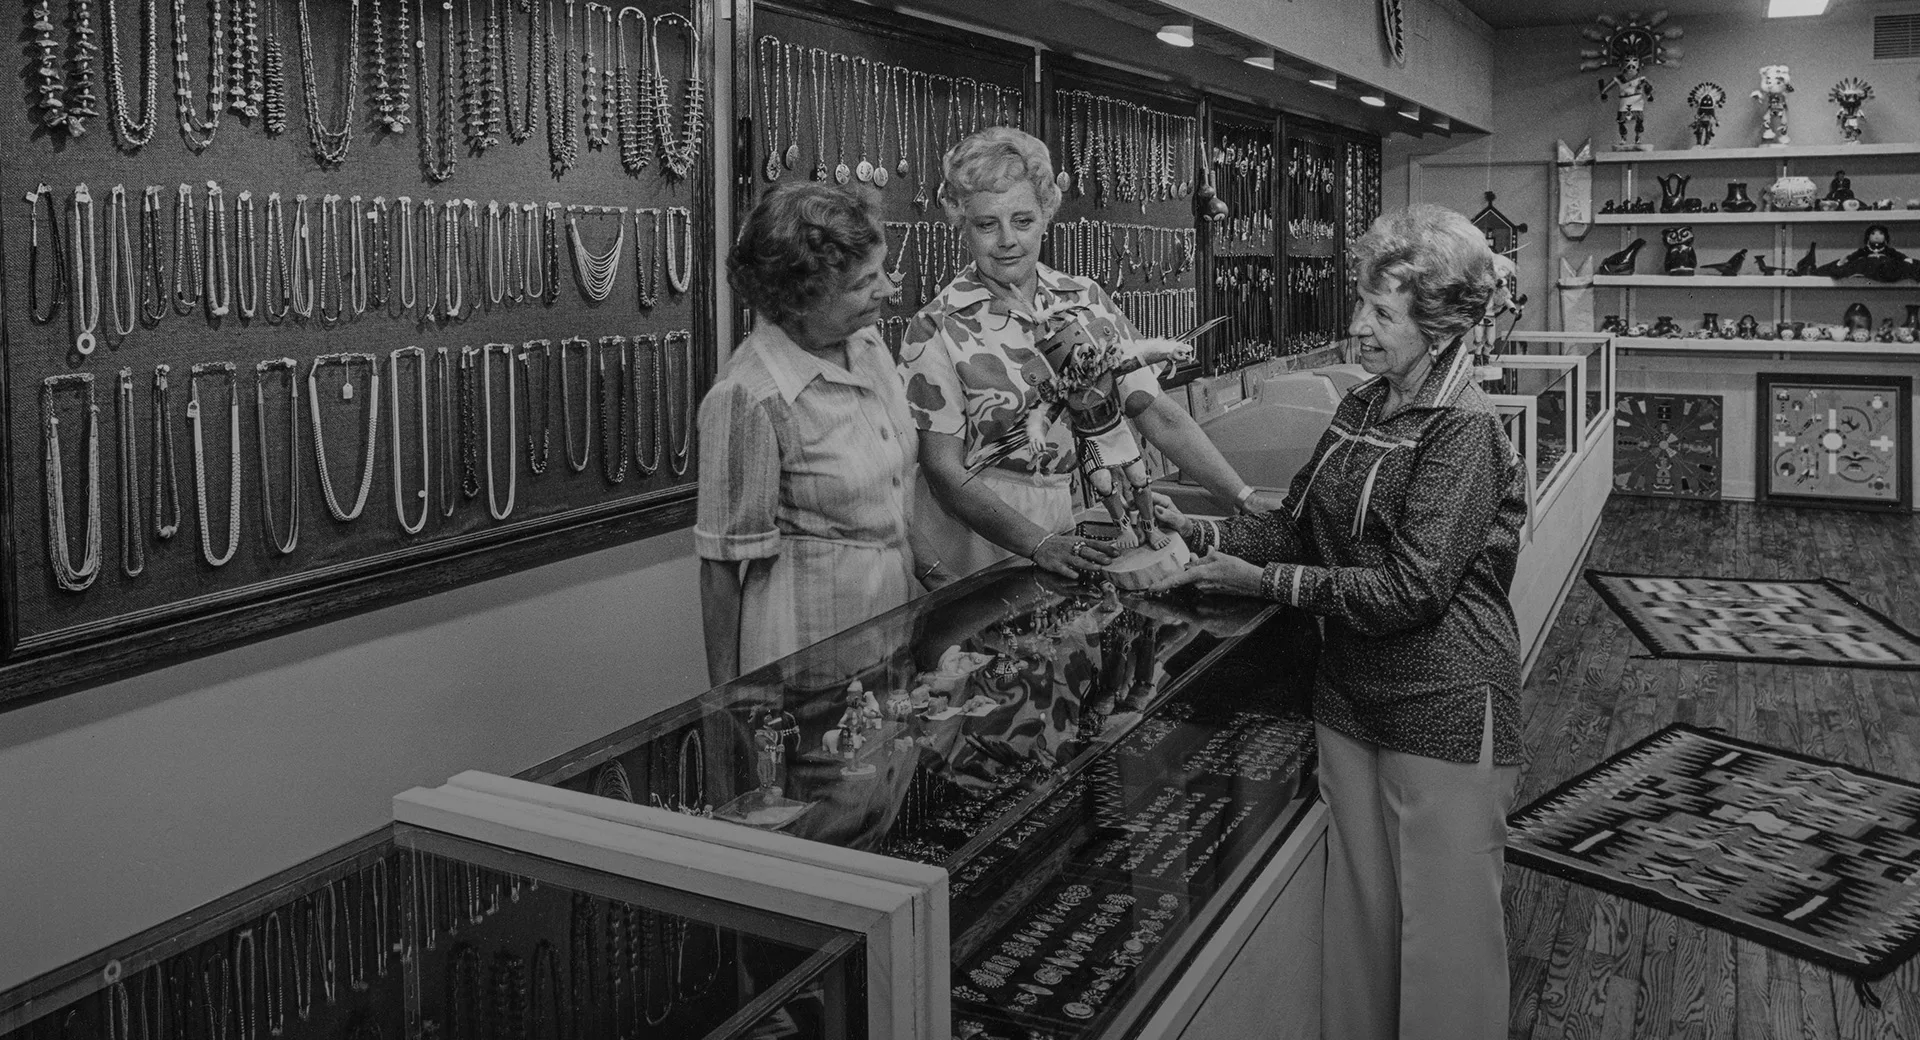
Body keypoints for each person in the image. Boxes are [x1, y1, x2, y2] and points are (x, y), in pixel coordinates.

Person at [1150, 205, 1530, 1040]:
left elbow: (1411, 589)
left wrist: (1263, 580)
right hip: (1350, 700)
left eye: (1382, 313)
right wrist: (1201, 531)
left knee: (1448, 943)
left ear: (1437, 326)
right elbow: (1296, 521)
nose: (1357, 327)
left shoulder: (1465, 428)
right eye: (1362, 304)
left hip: (1442, 706)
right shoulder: (1362, 406)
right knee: (1363, 922)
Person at [899, 126, 1275, 584]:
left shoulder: (1085, 301)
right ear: (960, 220)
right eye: (985, 224)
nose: (1006, 240)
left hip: (1059, 517)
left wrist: (1242, 498)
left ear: (1046, 214)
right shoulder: (934, 327)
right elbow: (941, 469)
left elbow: (1155, 412)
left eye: (1022, 220)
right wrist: (1037, 543)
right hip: (969, 537)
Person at [695, 181, 928, 686]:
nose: (888, 288)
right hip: (807, 649)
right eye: (865, 281)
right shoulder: (750, 395)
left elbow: (895, 491)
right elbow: (721, 565)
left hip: (891, 625)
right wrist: (728, 701)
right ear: (801, 298)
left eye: (881, 270)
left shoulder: (867, 346)